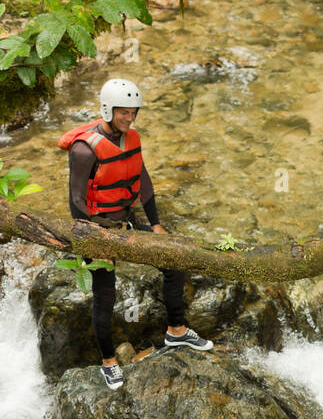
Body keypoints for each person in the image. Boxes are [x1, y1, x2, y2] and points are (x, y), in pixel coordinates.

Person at [59, 77, 213, 390]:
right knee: (106, 296)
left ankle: (177, 331)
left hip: (126, 219)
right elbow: (76, 200)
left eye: (134, 113)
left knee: (174, 260)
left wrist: (155, 223)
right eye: (123, 113)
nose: (130, 119)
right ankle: (108, 362)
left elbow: (142, 179)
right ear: (107, 110)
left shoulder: (132, 138)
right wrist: (94, 241)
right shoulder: (84, 150)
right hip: (97, 228)